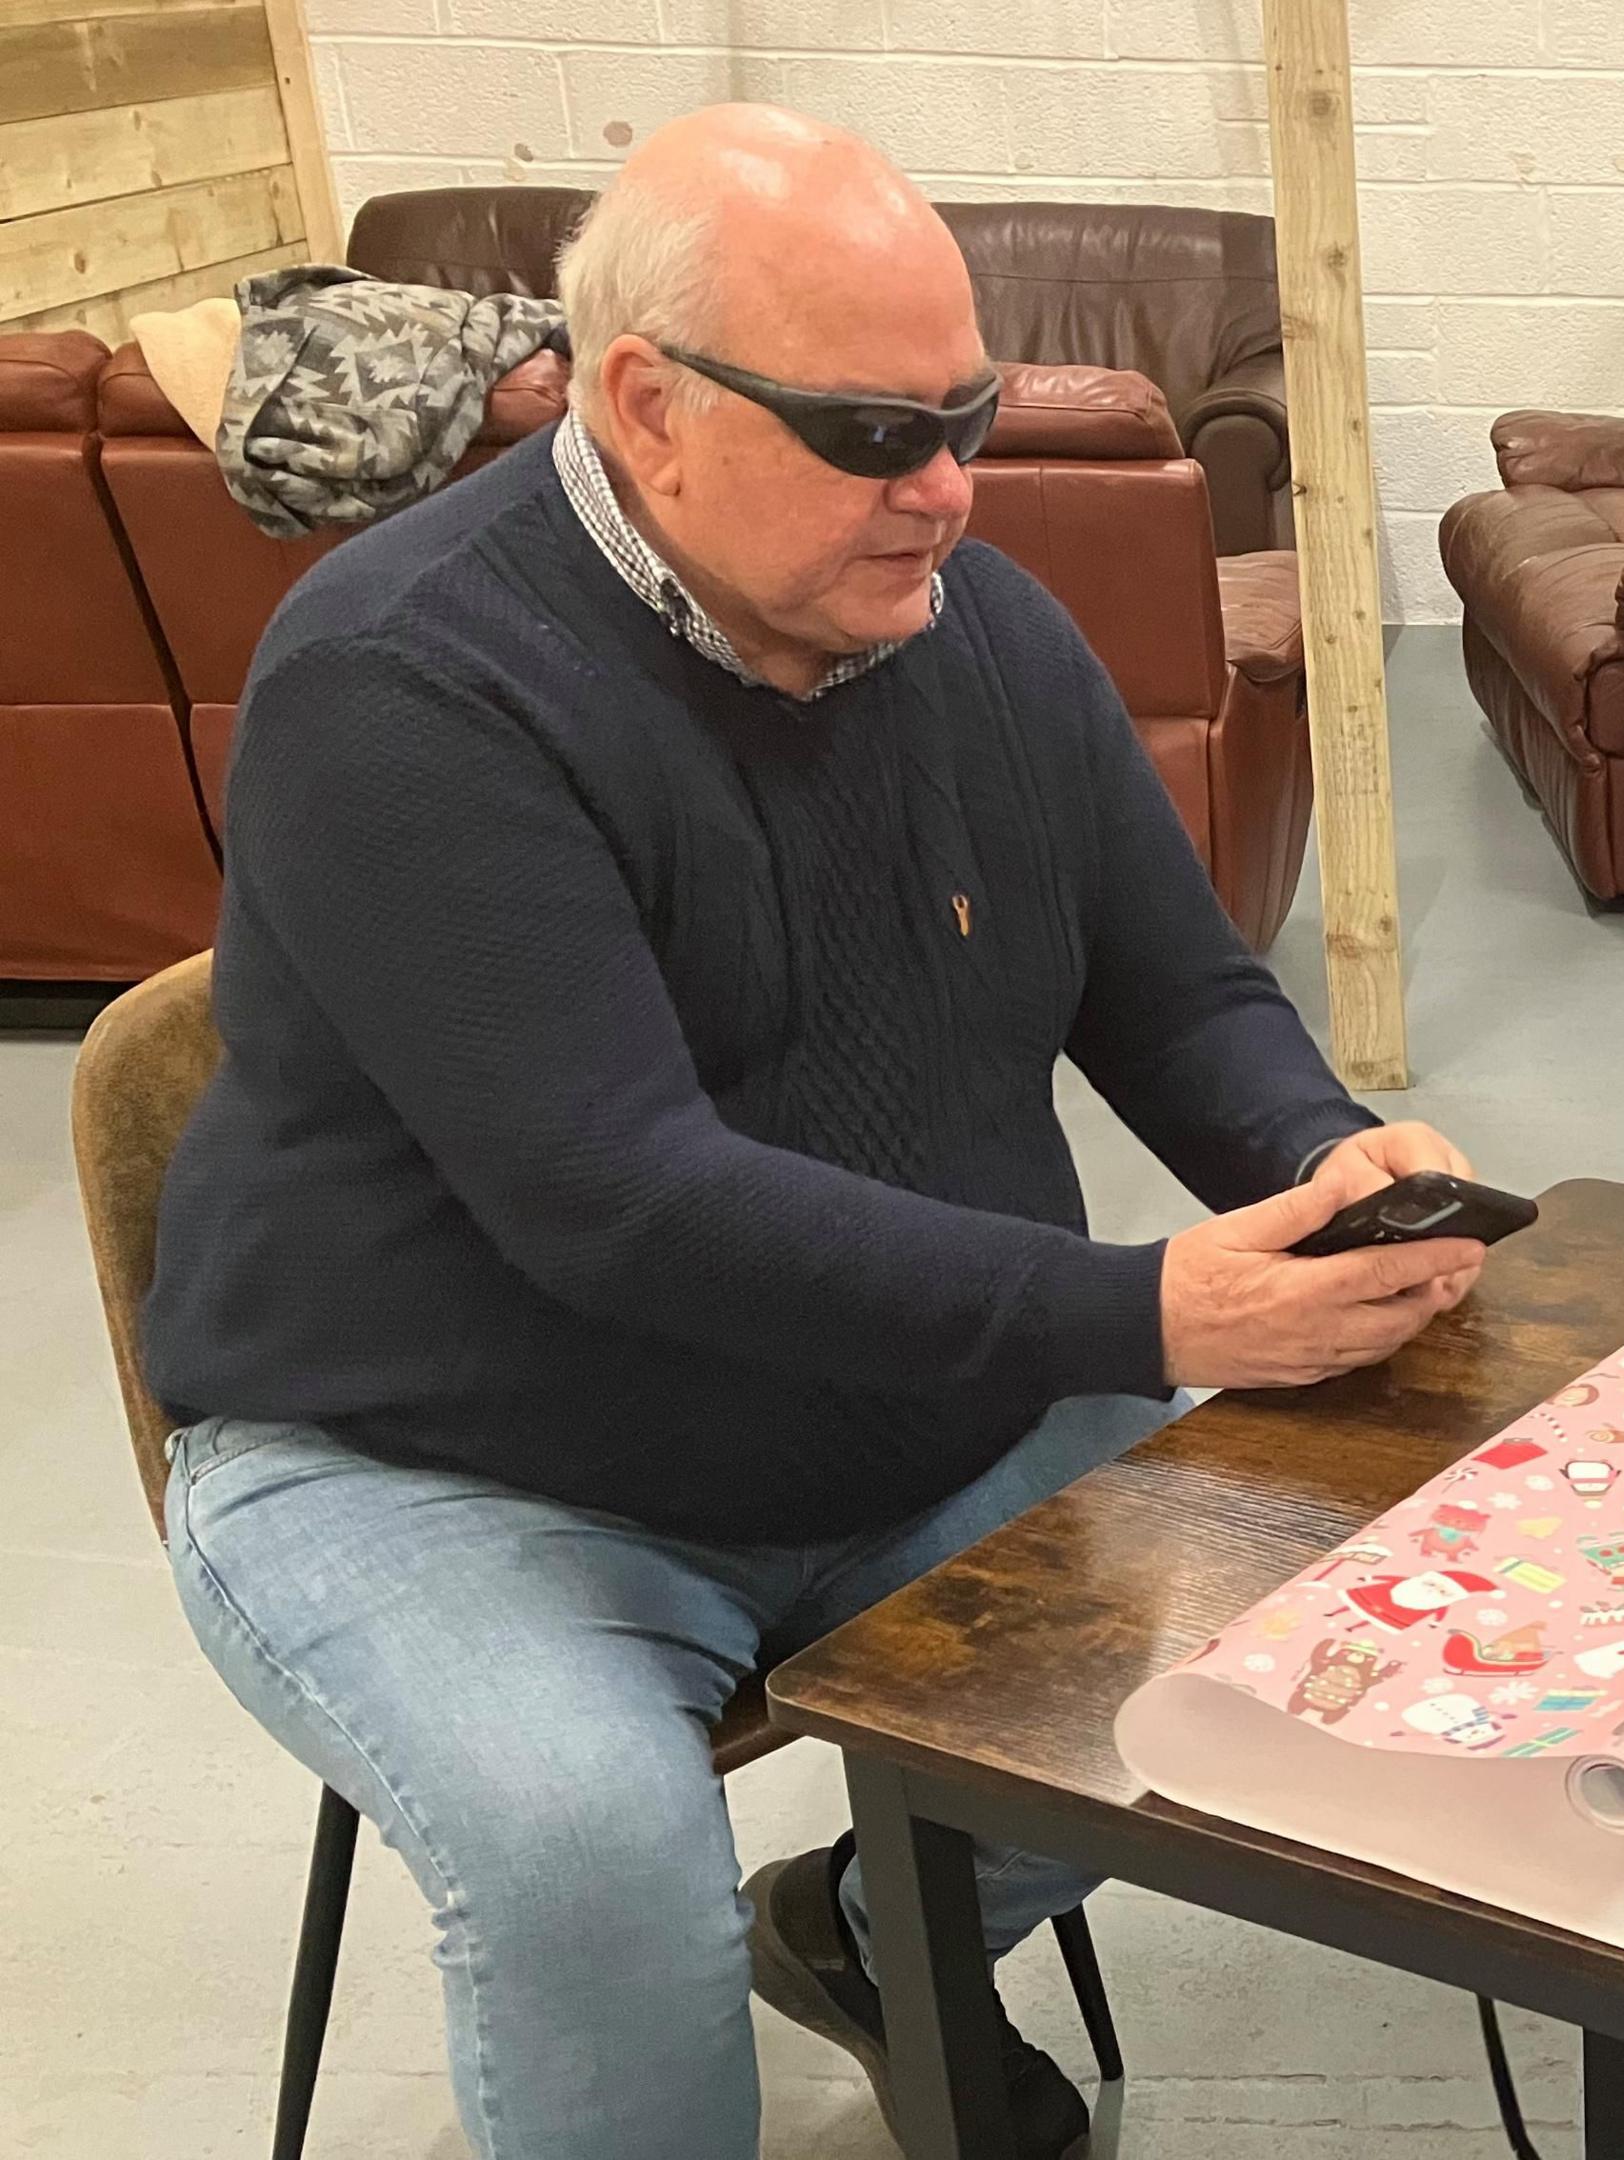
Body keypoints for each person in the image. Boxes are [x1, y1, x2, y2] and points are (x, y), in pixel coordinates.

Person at [141, 107, 1475, 2160]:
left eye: (967, 415)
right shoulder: (406, 685)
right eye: (871, 433)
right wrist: (1143, 1312)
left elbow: (1180, 994)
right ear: (647, 407)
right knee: (592, 1864)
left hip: (890, 1414)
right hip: (448, 1466)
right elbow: (620, 1204)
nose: (944, 489)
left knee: (1313, 1628)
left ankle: (869, 1936)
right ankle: (856, 1937)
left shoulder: (985, 636)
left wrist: (1321, 1163)